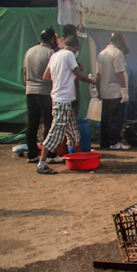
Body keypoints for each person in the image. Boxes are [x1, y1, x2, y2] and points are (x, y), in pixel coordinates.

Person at [36, 35, 96, 175]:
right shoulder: (69, 55)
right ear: (75, 46)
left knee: (73, 132)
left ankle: (82, 158)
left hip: (61, 98)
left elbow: (46, 76)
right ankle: (42, 163)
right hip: (63, 99)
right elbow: (80, 76)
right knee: (56, 132)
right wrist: (93, 82)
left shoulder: (55, 55)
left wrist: (60, 76)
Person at [23, 28, 58, 163]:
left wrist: (28, 86)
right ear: (51, 39)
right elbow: (53, 74)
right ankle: (49, 155)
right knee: (48, 123)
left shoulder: (29, 51)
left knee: (32, 124)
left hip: (30, 91)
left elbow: (25, 72)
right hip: (44, 92)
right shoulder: (50, 53)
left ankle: (32, 154)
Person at [96, 32, 130, 150]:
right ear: (119, 40)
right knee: (116, 118)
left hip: (105, 91)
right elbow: (119, 74)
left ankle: (105, 142)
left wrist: (99, 90)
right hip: (115, 91)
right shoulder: (117, 53)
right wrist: (124, 90)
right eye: (123, 40)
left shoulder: (101, 53)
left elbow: (98, 75)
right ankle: (115, 142)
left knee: (106, 119)